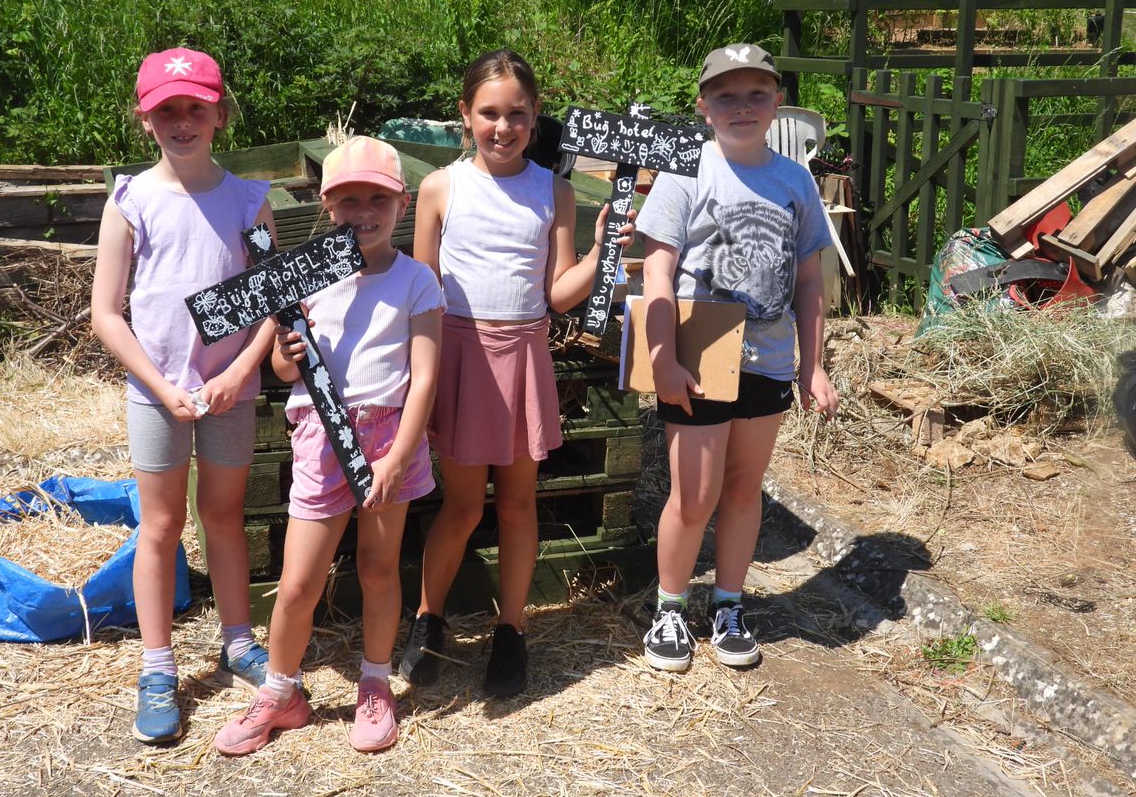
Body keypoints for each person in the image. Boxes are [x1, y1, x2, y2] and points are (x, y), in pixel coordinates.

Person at [404, 48, 634, 696]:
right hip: (459, 356)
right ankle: (429, 617)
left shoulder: (554, 191)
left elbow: (560, 293)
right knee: (458, 503)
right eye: (489, 113)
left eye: (517, 114)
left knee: (517, 501)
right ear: (464, 115)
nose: (502, 127)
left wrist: (600, 249)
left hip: (523, 355)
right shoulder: (441, 188)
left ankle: (512, 629)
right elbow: (423, 289)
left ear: (534, 118)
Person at [215, 136, 444, 755]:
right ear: (326, 204)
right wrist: (288, 359)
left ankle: (375, 682)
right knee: (297, 582)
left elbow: (424, 376)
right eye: (348, 200)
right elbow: (290, 371)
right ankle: (281, 691)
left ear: (401, 204)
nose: (362, 212)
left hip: (389, 435)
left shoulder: (416, 281)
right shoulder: (305, 277)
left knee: (377, 566)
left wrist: (398, 456)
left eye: (378, 198)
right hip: (320, 436)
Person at [91, 48, 278, 743]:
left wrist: (237, 373)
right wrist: (160, 384)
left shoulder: (250, 200)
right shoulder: (130, 201)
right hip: (155, 392)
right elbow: (106, 311)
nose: (181, 120)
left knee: (223, 516)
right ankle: (158, 664)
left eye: (194, 108)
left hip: (231, 392)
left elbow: (272, 301)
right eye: (166, 110)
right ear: (146, 121)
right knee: (161, 526)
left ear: (219, 115)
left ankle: (237, 640)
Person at [633, 43, 839, 673]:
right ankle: (670, 606)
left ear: (777, 102)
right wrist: (662, 357)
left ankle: (728, 604)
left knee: (745, 488)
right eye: (726, 95)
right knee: (694, 494)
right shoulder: (684, 172)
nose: (742, 107)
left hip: (770, 357)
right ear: (703, 106)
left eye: (756, 94)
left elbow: (809, 281)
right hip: (701, 352)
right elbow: (658, 272)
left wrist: (813, 365)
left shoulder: (796, 180)